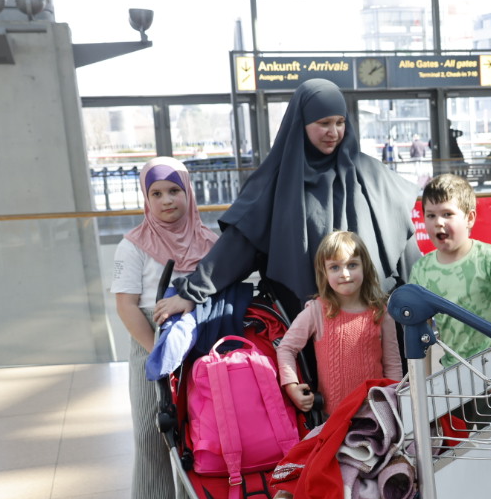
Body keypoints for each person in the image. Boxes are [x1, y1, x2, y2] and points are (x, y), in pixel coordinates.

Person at [152, 79, 419, 326]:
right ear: (300, 123)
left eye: (340, 122)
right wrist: (192, 293)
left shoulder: (371, 174)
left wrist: (422, 302)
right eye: (324, 123)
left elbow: (404, 246)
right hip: (308, 324)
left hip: (375, 322)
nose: (334, 132)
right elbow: (237, 246)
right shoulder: (276, 183)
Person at [111, 157, 217, 499]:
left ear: (188, 191)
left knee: (197, 435)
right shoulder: (133, 245)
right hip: (150, 352)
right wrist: (161, 353)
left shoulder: (210, 241)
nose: (166, 200)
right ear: (146, 198)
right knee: (151, 435)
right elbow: (125, 307)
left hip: (201, 351)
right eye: (156, 193)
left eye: (174, 190)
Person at [276, 229, 403, 420]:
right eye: (335, 267)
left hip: (376, 415)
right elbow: (286, 348)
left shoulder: (381, 312)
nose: (344, 274)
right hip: (333, 418)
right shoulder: (317, 310)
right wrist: (291, 386)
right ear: (324, 272)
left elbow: (392, 364)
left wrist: (396, 404)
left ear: (365, 267)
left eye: (352, 265)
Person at [409, 172, 491, 370]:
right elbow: (421, 332)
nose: (438, 222)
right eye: (431, 215)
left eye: (447, 214)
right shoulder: (421, 269)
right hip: (455, 373)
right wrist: (424, 384)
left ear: (469, 218)